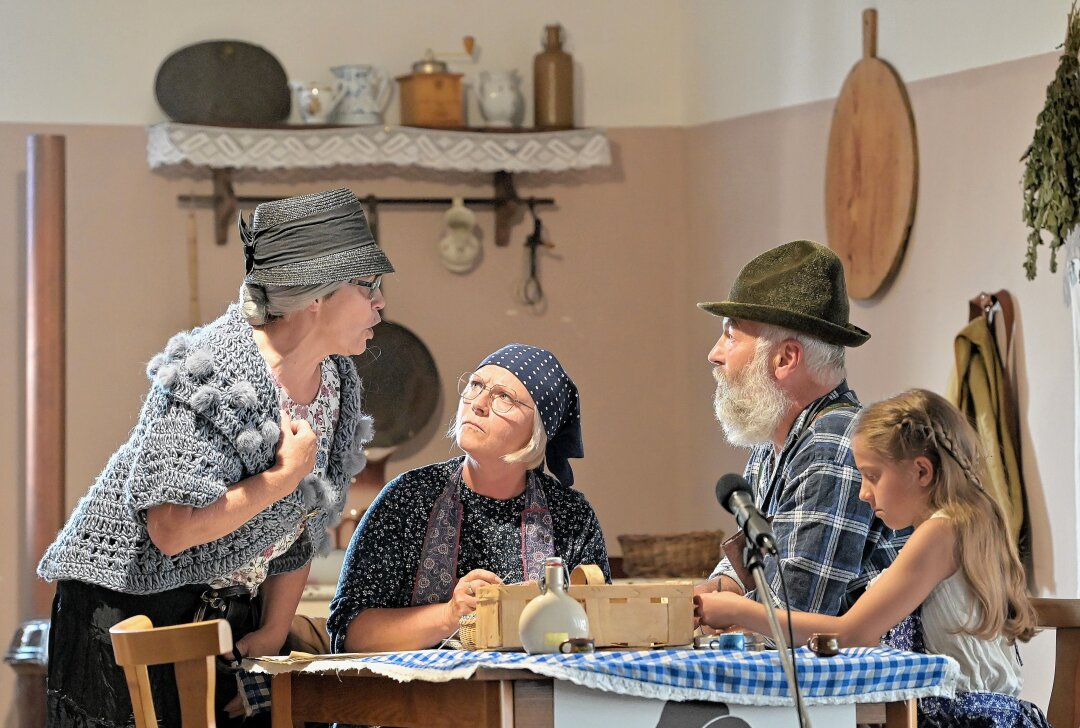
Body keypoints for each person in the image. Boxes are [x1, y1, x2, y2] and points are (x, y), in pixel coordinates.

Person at [37, 187, 394, 728]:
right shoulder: (206, 372)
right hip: (126, 609)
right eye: (368, 285)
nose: (381, 302)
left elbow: (305, 524)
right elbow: (172, 529)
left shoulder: (337, 384)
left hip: (225, 617)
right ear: (315, 293)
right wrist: (282, 477)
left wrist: (274, 628)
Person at [696, 389, 1049, 727]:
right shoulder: (971, 520)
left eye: (873, 476)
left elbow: (851, 633)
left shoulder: (939, 534)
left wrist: (737, 609)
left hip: (958, 720)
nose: (864, 493)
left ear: (922, 471)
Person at [328, 344, 610, 653]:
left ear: (538, 431)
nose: (478, 404)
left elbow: (596, 631)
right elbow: (348, 635)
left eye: (504, 397)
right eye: (476, 385)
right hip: (417, 697)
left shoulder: (570, 517)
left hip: (536, 695)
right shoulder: (407, 498)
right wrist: (449, 615)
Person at [695, 239, 906, 615]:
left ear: (786, 358)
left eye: (730, 335)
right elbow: (751, 566)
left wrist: (709, 614)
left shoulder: (833, 444)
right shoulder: (776, 442)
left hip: (877, 672)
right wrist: (700, 597)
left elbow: (792, 616)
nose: (715, 353)